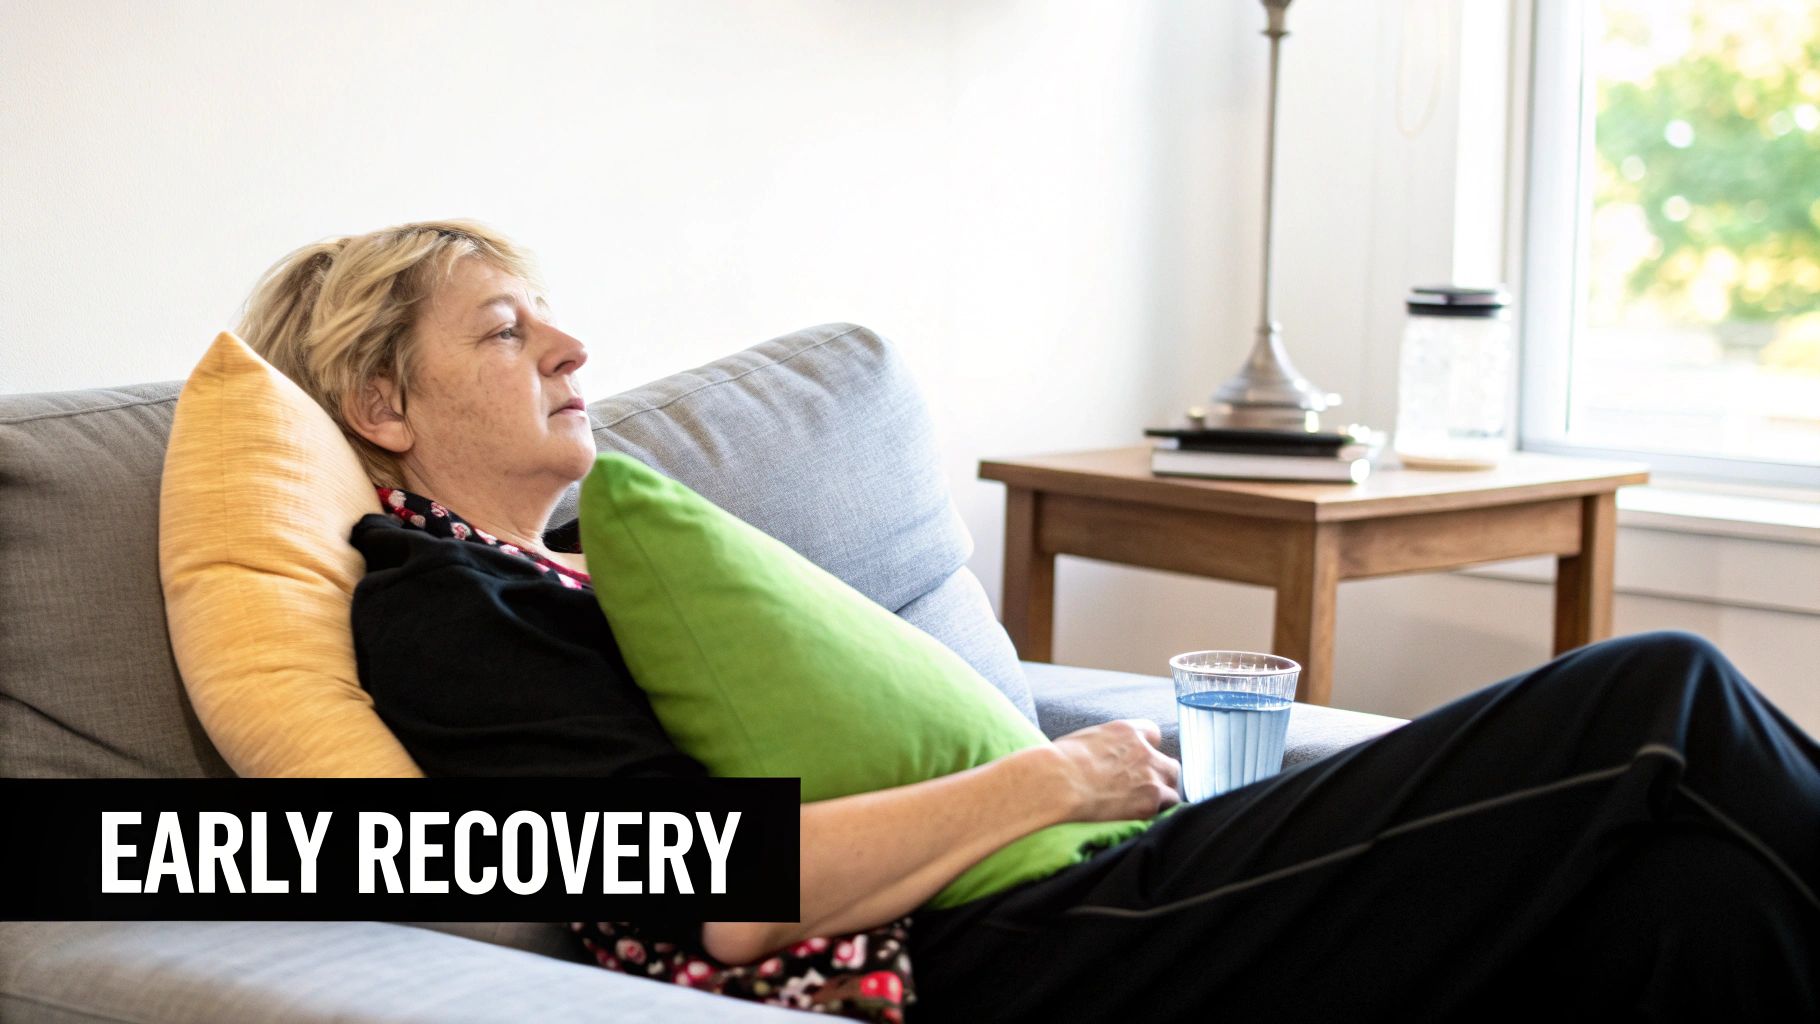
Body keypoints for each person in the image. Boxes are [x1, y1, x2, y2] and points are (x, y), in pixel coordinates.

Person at [237, 220, 1819, 1020]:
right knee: (1652, 696)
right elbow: (720, 907)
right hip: (990, 959)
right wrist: (1056, 780)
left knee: (1681, 903)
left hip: (1066, 888)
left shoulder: (602, 559)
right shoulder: (445, 607)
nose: (573, 343)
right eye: (507, 331)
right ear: (380, 401)